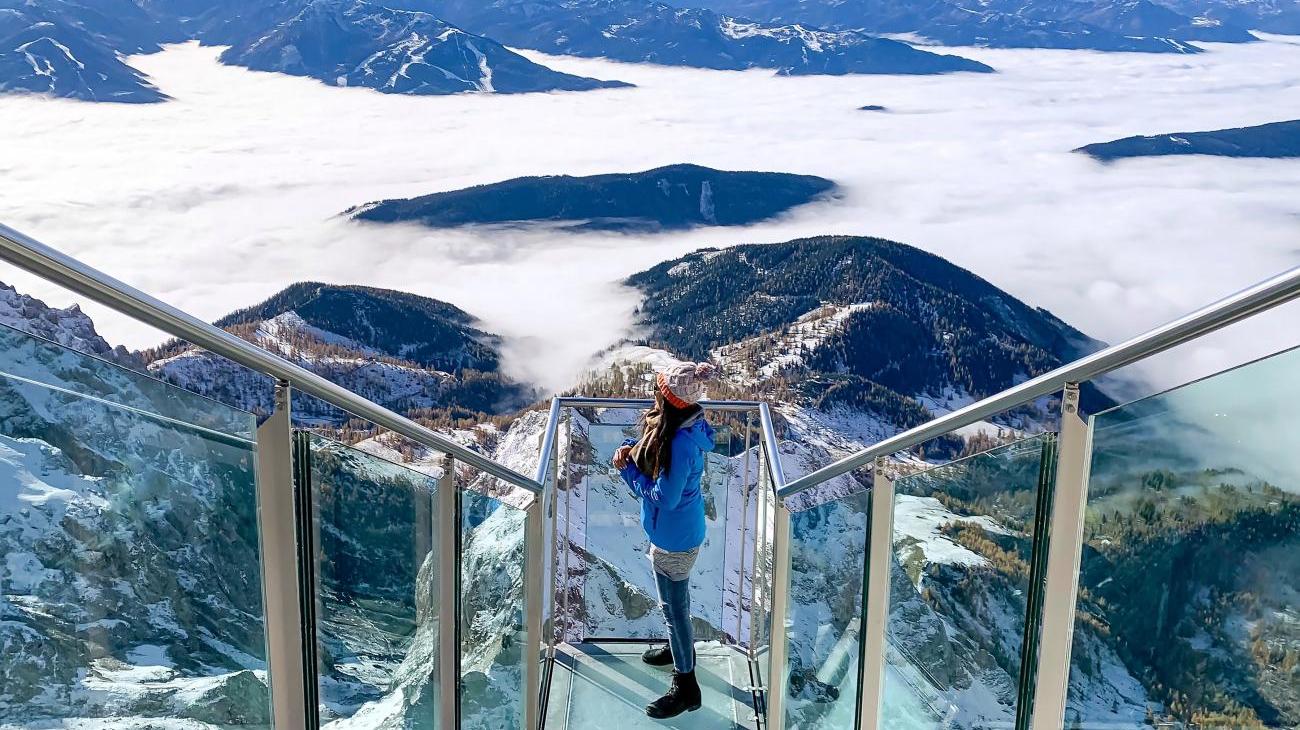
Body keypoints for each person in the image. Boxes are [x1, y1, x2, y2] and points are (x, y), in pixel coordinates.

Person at [612, 360, 718, 719]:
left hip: (674, 541)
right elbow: (652, 449)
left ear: (669, 399)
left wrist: (629, 473)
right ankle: (677, 651)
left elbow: (664, 497)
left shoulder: (680, 444)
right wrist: (632, 448)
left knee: (675, 612)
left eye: (658, 389)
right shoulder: (683, 427)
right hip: (680, 532)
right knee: (676, 608)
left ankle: (686, 686)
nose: (653, 393)